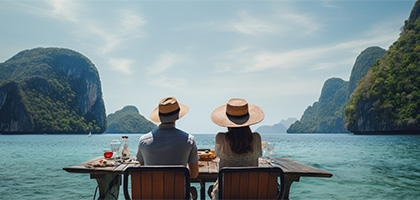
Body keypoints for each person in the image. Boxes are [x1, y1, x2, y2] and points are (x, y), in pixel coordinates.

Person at [209, 98, 264, 199]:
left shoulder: (221, 138)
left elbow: (217, 157)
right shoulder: (256, 138)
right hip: (252, 193)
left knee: (211, 189)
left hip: (225, 194)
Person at [136, 97, 199, 179]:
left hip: (151, 191)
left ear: (159, 116)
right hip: (178, 191)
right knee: (193, 191)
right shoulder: (189, 140)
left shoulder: (143, 141)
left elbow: (143, 168)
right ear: (177, 115)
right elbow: (194, 175)